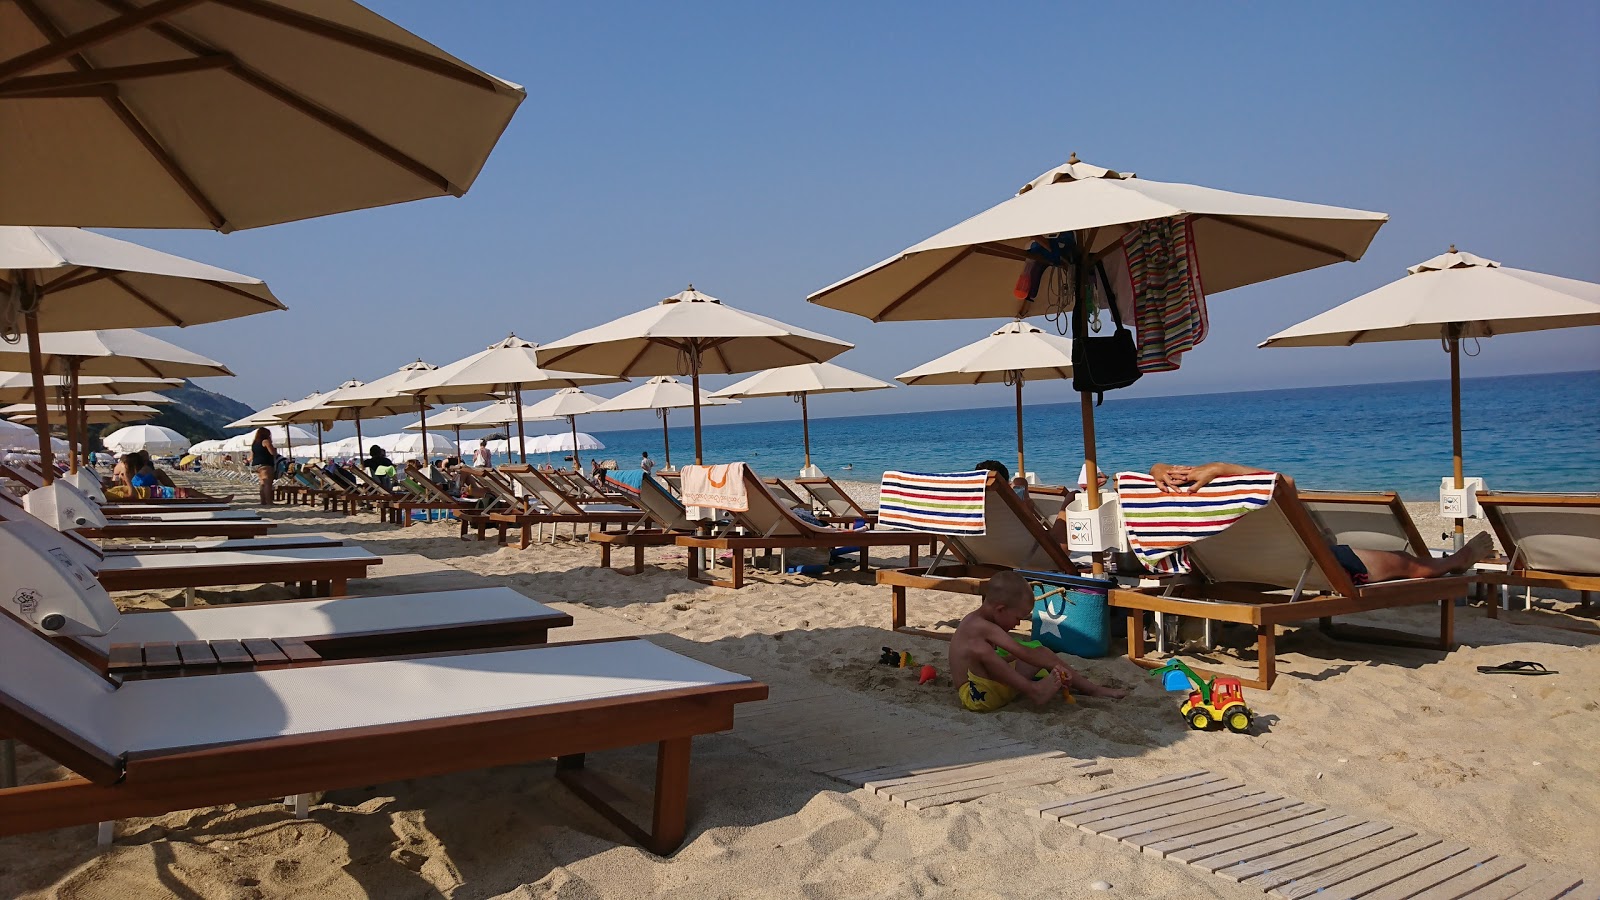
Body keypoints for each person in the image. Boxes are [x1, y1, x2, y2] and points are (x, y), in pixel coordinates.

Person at [1148, 462, 1496, 582]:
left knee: (1339, 546)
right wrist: (1225, 468)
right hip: (1313, 565)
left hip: (1236, 568)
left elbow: (1151, 474)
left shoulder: (1189, 501)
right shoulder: (1234, 491)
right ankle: (1457, 560)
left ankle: (1454, 560)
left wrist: (1155, 470)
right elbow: (1283, 483)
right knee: (1412, 566)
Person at [950, 572, 1128, 712]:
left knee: (1039, 651)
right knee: (983, 649)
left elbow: (999, 664)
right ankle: (1034, 690)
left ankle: (1091, 689)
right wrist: (1028, 658)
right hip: (978, 697)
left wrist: (1050, 664)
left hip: (994, 687)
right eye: (1017, 618)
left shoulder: (986, 623)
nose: (1018, 624)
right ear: (1001, 609)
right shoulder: (980, 626)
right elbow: (1022, 653)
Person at [250, 428, 277, 505]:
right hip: (265, 464)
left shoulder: (254, 443)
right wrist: (273, 446)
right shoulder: (265, 441)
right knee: (268, 484)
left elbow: (252, 455)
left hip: (256, 465)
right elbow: (272, 452)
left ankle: (263, 501)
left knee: (262, 483)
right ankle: (269, 501)